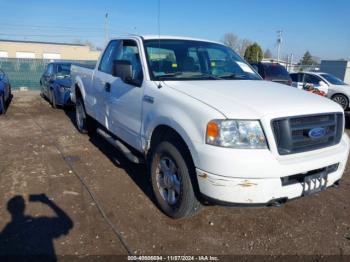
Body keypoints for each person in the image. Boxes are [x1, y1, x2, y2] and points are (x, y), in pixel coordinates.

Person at [0, 194, 73, 261]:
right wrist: (47, 201)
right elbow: (67, 223)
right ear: (23, 207)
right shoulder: (40, 224)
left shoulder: (6, 234)